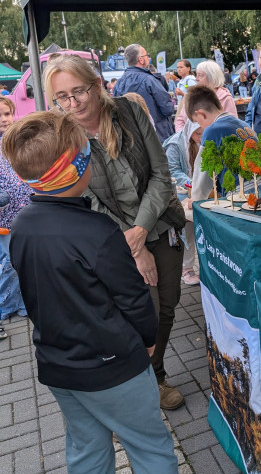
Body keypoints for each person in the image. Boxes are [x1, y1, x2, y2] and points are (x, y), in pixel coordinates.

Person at [4, 111, 191, 474]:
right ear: (75, 168)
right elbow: (133, 301)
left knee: (85, 452)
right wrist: (148, 340)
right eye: (85, 151)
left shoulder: (22, 228)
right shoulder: (98, 232)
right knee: (149, 447)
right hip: (115, 369)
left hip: (61, 368)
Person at [44, 55, 186, 411]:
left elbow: (160, 174)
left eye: (78, 92)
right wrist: (134, 246)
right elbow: (86, 197)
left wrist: (141, 230)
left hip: (159, 224)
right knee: (143, 313)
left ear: (96, 86)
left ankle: (155, 374)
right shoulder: (62, 136)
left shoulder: (128, 112)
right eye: (62, 97)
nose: (72, 103)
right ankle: (139, 386)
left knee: (167, 307)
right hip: (111, 240)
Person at [185, 86, 257, 202]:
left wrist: (195, 199)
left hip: (242, 194)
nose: (201, 127)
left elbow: (202, 175)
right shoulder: (244, 125)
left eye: (198, 122)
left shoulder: (211, 131)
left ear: (201, 114)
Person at [0, 97, 32, 325]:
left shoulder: (16, 141)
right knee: (7, 263)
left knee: (23, 259)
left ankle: (22, 303)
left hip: (24, 211)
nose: (4, 120)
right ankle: (5, 305)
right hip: (3, 217)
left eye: (7, 114)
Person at [163, 120, 203, 286]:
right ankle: (186, 268)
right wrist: (192, 183)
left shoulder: (203, 142)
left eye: (203, 132)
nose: (201, 137)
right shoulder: (175, 145)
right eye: (198, 133)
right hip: (179, 193)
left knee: (199, 229)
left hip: (200, 192)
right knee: (186, 230)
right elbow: (172, 170)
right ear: (190, 130)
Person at [113, 44, 175, 141]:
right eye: (147, 55)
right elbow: (168, 109)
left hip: (132, 139)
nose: (148, 58)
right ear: (141, 59)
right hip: (157, 137)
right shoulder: (150, 80)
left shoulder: (119, 84)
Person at [174, 60, 237, 131]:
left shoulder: (225, 98)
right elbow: (180, 120)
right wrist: (185, 137)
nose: (196, 79)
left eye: (200, 75)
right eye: (196, 75)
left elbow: (232, 125)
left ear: (212, 77)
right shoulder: (192, 96)